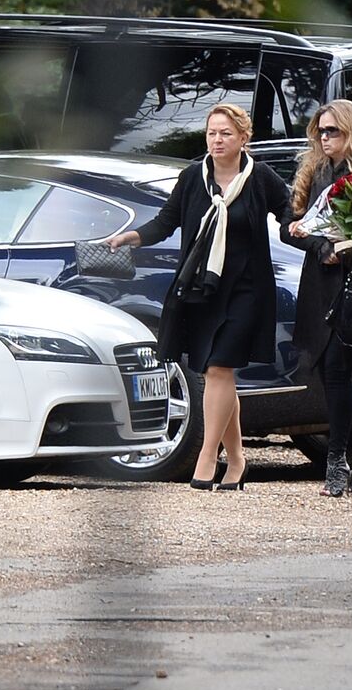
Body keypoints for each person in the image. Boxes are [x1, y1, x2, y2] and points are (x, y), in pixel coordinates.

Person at [105, 103, 290, 491]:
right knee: (219, 375)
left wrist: (314, 236)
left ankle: (207, 457)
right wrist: (131, 237)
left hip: (247, 288)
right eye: (212, 133)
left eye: (226, 133)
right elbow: (166, 220)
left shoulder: (261, 178)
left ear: (244, 138)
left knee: (220, 368)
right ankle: (237, 461)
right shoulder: (193, 177)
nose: (217, 140)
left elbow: (289, 217)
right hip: (203, 287)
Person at [279, 99, 352, 497]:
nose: (324, 138)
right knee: (328, 375)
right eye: (320, 131)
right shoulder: (315, 170)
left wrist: (346, 246)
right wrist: (319, 245)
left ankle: (336, 460)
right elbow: (289, 226)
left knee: (339, 371)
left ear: (351, 132)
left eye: (332, 131)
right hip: (318, 282)